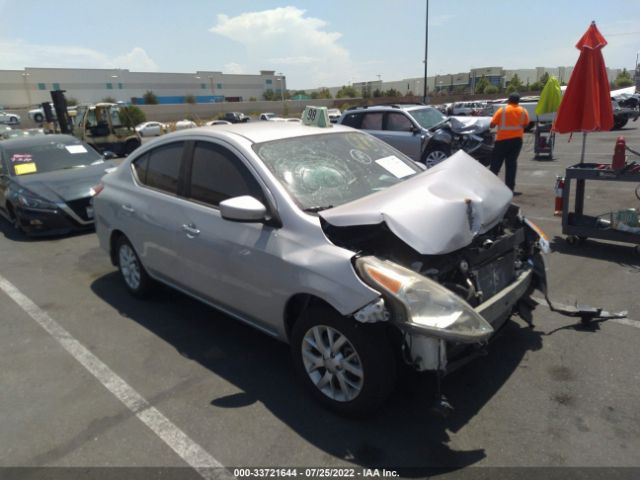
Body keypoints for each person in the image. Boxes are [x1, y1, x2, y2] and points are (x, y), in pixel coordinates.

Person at [489, 92, 529, 193]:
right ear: (518, 101)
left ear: (509, 100)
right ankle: (510, 189)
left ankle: (489, 187)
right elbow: (525, 125)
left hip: (502, 141)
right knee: (511, 165)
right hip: (516, 141)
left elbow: (492, 124)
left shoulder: (502, 110)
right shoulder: (523, 111)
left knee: (495, 165)